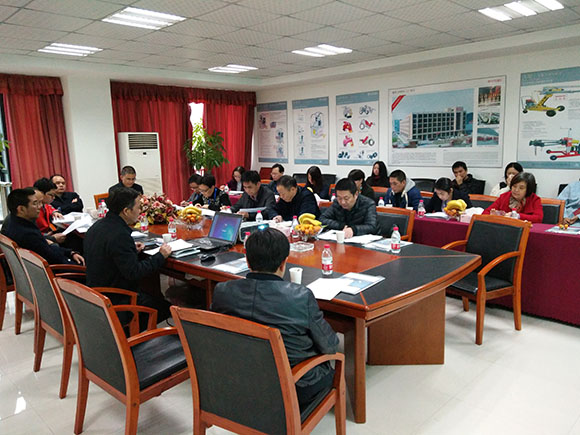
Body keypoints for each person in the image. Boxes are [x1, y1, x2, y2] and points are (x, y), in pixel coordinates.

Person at [211, 228, 338, 410]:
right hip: (292, 387)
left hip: (236, 381)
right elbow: (330, 346)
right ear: (284, 263)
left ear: (247, 261)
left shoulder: (222, 291)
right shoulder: (300, 296)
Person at [84, 187, 172, 326]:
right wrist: (160, 256)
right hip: (117, 299)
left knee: (152, 295)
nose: (140, 211)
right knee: (167, 308)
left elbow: (108, 254)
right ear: (126, 211)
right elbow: (134, 272)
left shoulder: (97, 226)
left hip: (97, 293)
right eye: (138, 207)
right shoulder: (120, 235)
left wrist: (131, 251)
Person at [1, 188, 84, 265]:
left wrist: (70, 252)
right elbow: (54, 258)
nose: (40, 206)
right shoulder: (27, 234)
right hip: (57, 270)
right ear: (21, 209)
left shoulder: (12, 220)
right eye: (35, 203)